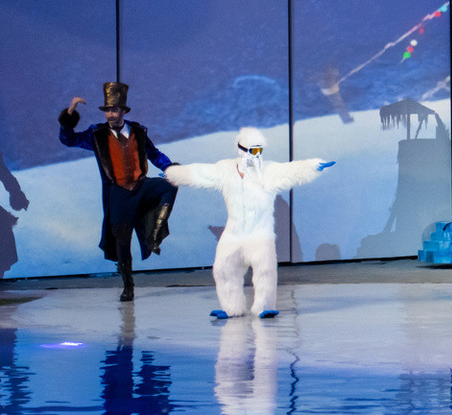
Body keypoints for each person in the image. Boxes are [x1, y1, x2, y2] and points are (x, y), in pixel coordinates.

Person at [164, 128, 333, 318]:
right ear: (242, 150)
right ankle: (231, 308)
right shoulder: (226, 170)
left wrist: (313, 166)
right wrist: (174, 174)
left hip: (260, 234)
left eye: (260, 150)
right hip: (234, 233)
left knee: (265, 271)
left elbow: (290, 171)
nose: (258, 155)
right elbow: (201, 172)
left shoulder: (268, 171)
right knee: (223, 270)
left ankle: (264, 306)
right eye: (254, 150)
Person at [58, 82, 177, 302]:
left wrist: (169, 167)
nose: (110, 115)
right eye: (107, 111)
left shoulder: (138, 131)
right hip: (118, 193)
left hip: (140, 186)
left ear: (123, 111)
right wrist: (70, 112)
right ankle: (128, 285)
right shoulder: (97, 134)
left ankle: (155, 231)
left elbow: (154, 154)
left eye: (114, 110)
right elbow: (68, 139)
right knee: (122, 240)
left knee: (170, 184)